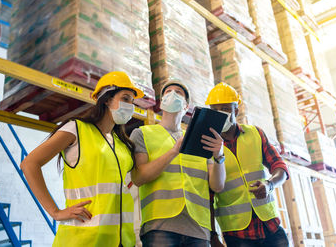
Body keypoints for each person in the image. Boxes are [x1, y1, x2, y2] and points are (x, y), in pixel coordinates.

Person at [21, 71, 144, 247]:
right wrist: (55, 212)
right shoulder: (77, 129)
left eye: (132, 101)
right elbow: (29, 164)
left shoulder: (122, 144)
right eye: (125, 98)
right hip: (83, 239)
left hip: (121, 240)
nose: (130, 106)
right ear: (107, 99)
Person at [129, 79, 226, 247]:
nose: (172, 94)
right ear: (161, 103)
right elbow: (139, 177)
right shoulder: (142, 133)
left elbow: (217, 186)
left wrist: (219, 156)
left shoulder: (200, 138)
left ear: (186, 106)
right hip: (159, 226)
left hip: (198, 229)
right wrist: (174, 151)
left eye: (178, 93)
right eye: (168, 92)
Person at [205, 82, 290, 247]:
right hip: (237, 234)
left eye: (224, 108)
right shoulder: (208, 147)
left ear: (235, 110)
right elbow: (207, 196)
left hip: (270, 226)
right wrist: (212, 235)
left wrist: (269, 184)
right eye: (214, 110)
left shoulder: (255, 134)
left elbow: (280, 167)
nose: (219, 114)